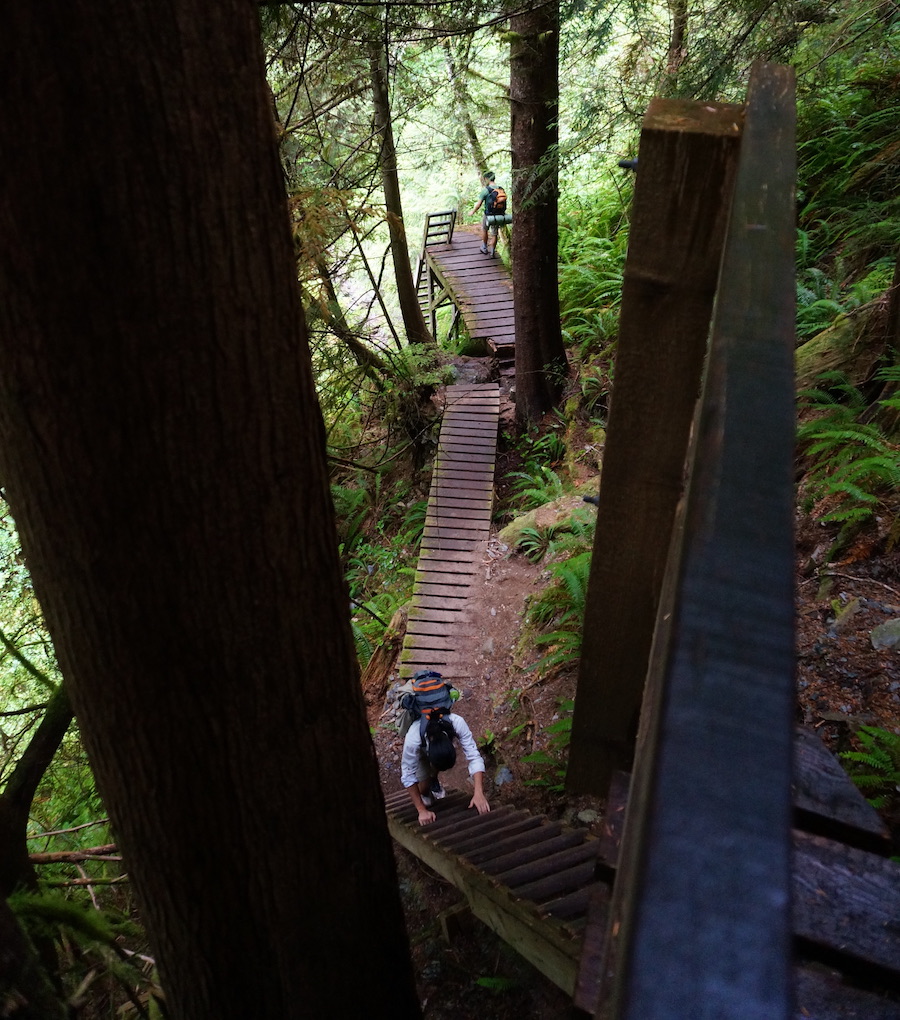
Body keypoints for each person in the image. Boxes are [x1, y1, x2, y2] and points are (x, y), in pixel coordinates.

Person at [401, 707, 491, 826]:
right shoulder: (414, 737)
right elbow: (407, 775)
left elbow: (474, 757)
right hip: (421, 746)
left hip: (436, 749)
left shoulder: (457, 723)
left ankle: (432, 778)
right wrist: (421, 810)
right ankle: (429, 783)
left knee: (434, 771)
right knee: (423, 791)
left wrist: (479, 793)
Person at [470, 171, 503, 258]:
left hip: (488, 215)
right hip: (499, 215)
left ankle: (484, 247)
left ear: (486, 179)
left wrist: (472, 212)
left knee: (485, 229)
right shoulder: (500, 189)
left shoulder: (486, 190)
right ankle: (492, 252)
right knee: (494, 234)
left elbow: (479, 204)